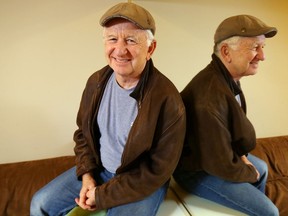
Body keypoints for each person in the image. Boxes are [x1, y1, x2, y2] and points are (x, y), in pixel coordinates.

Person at [30, 2, 186, 216]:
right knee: (39, 204)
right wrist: (87, 175)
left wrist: (102, 195)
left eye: (131, 40)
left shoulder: (168, 99)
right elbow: (83, 135)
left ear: (150, 48)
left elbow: (158, 170)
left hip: (140, 182)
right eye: (112, 39)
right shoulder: (96, 82)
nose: (120, 49)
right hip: (99, 171)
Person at [173, 15, 279, 216]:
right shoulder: (209, 98)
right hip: (197, 170)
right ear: (226, 52)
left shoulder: (227, 78)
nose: (262, 56)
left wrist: (243, 158)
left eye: (263, 47)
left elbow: (230, 130)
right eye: (255, 47)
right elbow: (219, 163)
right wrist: (247, 170)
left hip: (214, 155)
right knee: (270, 212)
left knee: (263, 167)